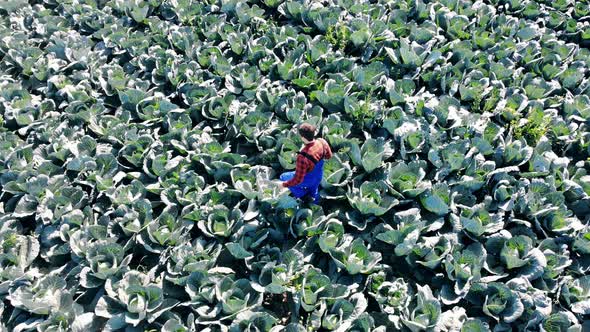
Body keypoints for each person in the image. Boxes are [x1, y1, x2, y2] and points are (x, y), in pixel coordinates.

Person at [273, 123, 333, 204]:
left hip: (308, 179)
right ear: (314, 133)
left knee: (284, 177)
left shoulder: (302, 157)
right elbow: (329, 156)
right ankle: (315, 204)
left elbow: (297, 180)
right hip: (319, 176)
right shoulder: (322, 142)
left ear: (303, 137)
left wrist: (283, 185)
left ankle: (303, 195)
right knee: (314, 190)